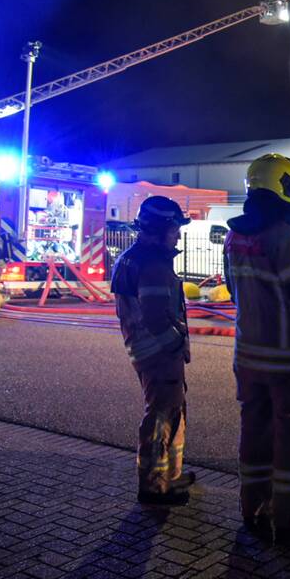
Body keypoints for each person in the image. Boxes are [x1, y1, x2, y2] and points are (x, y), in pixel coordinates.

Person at [224, 153, 290, 541]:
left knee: (253, 432)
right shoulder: (286, 237)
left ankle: (253, 510)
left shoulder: (235, 236)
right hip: (288, 360)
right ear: (286, 186)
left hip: (247, 355)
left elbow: (235, 292)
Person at [110, 196, 194, 506]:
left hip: (143, 349)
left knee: (170, 409)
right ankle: (154, 485)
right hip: (159, 353)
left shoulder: (130, 258)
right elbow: (157, 316)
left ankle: (169, 475)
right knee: (162, 414)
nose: (178, 234)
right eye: (175, 228)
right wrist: (176, 345)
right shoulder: (154, 264)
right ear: (160, 229)